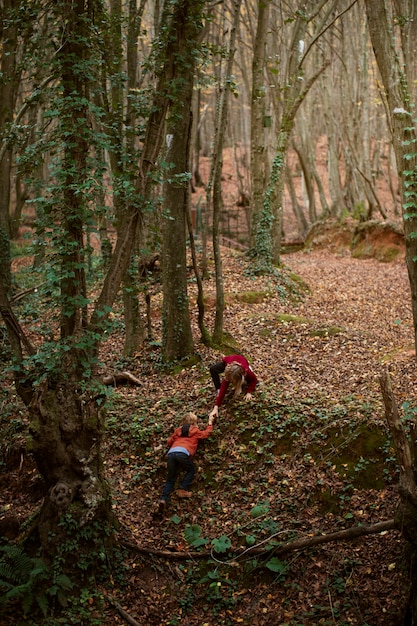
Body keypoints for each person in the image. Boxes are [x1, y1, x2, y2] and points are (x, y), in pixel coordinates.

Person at [158, 412, 214, 515]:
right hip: (183, 453)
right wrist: (210, 423)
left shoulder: (178, 431)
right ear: (194, 423)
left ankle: (163, 499)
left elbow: (169, 442)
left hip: (171, 453)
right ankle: (182, 488)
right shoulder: (195, 431)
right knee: (191, 470)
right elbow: (206, 434)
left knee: (171, 478)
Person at [209, 354, 258, 419]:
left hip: (241, 363)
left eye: (232, 381)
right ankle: (218, 388)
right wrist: (216, 407)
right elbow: (223, 389)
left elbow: (254, 380)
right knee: (213, 369)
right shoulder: (228, 373)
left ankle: (239, 384)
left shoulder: (247, 371)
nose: (230, 381)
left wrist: (249, 391)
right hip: (229, 361)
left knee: (247, 382)